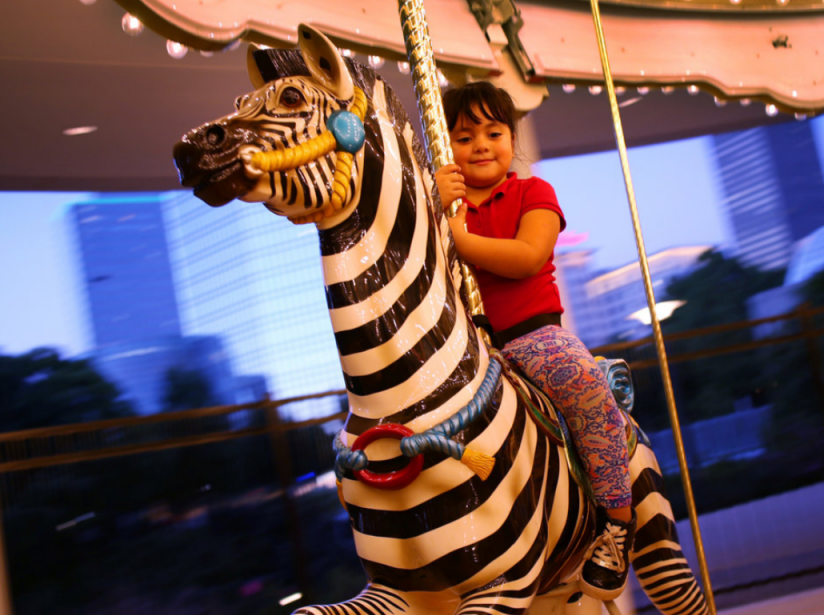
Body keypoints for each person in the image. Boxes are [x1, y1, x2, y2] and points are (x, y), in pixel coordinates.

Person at [434, 81, 635, 601]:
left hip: (534, 339)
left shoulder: (533, 192)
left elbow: (527, 256)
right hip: (467, 355)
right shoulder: (445, 212)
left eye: (493, 132)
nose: (480, 144)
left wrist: (462, 239)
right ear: (445, 147)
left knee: (584, 383)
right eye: (463, 135)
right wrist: (435, 211)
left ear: (511, 137)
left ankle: (617, 523)